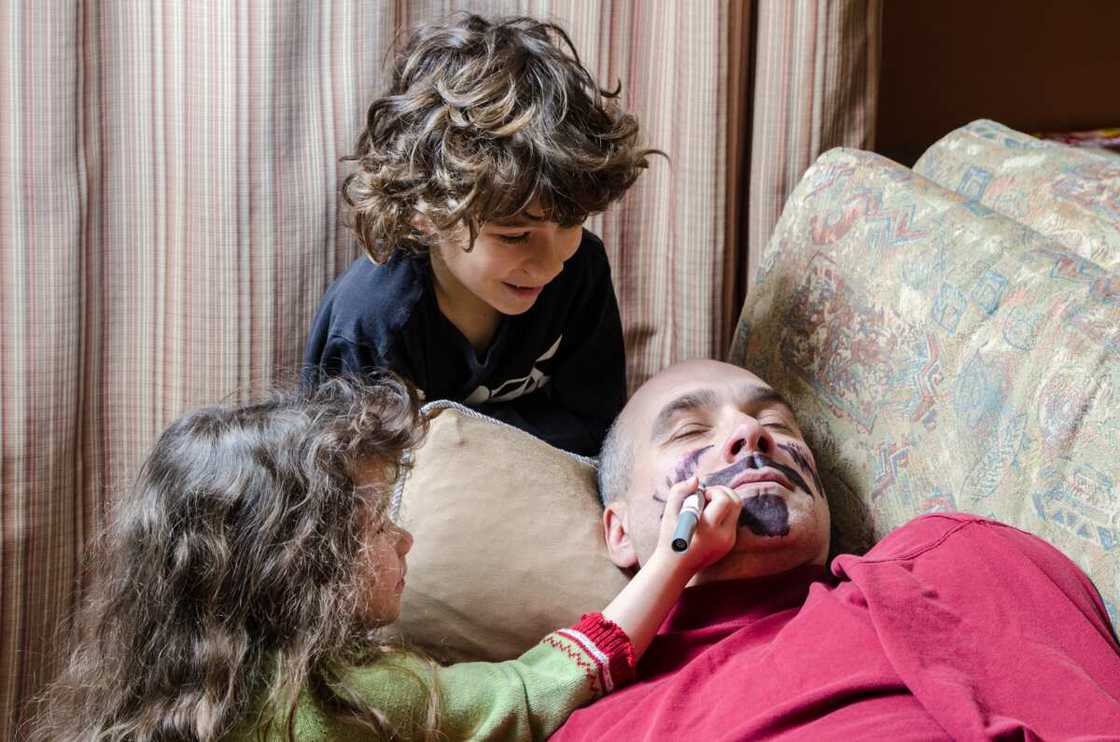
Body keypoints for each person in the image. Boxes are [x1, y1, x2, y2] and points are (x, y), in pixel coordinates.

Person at [28, 375, 741, 742]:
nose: (405, 540)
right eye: (377, 528)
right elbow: (536, 687)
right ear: (300, 566)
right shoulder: (357, 698)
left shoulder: (162, 698)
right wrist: (676, 560)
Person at [553, 359, 1120, 740]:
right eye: (688, 431)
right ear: (618, 532)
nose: (752, 435)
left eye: (773, 419)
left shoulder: (946, 558)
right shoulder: (585, 726)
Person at [303, 14, 658, 456]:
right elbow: (358, 483)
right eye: (514, 236)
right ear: (426, 216)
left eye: (570, 223)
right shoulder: (371, 321)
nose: (551, 264)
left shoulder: (581, 269)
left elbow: (599, 433)